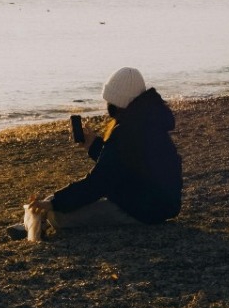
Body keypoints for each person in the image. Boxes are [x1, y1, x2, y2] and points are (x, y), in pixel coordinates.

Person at [10, 67, 182, 238]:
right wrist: (93, 145)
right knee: (53, 201)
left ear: (117, 102)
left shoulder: (128, 131)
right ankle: (31, 223)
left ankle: (33, 223)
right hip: (157, 201)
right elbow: (122, 164)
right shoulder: (147, 121)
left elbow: (99, 181)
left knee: (58, 214)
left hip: (145, 209)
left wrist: (56, 202)